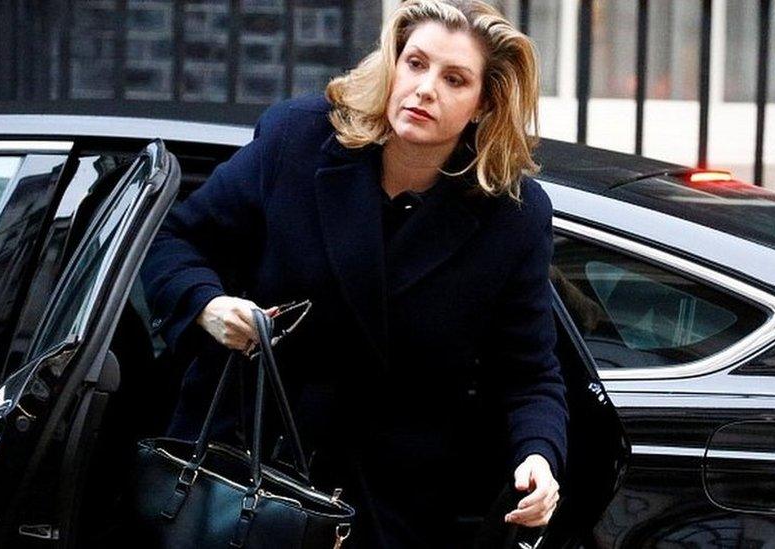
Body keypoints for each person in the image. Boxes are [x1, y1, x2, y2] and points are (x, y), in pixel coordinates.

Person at [139, 0, 567, 546]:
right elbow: (173, 241)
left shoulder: (512, 215)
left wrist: (539, 456)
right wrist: (207, 304)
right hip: (240, 474)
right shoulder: (298, 142)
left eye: (454, 79)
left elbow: (529, 371)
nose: (425, 88)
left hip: (386, 499)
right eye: (415, 63)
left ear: (484, 104)